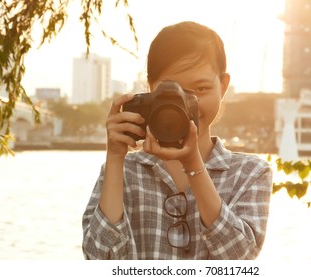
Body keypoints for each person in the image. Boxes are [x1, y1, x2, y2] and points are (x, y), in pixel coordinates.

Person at [82, 21, 272, 260]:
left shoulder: (249, 172)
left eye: (200, 89)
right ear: (151, 90)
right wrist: (115, 157)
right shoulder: (124, 171)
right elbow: (98, 259)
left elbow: (240, 258)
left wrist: (194, 166)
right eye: (173, 91)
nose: (184, 103)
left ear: (223, 87)